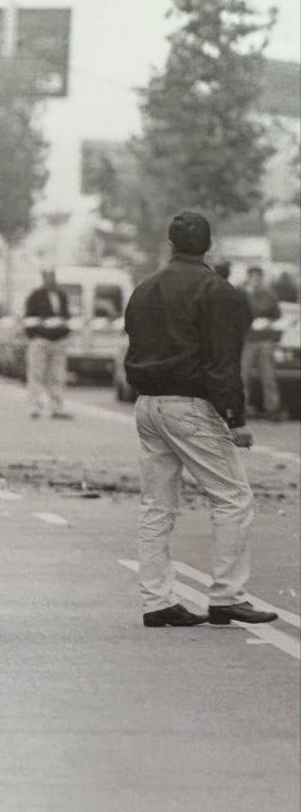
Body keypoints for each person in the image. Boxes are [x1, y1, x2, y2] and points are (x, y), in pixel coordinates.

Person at [124, 211, 277, 628]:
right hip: (189, 405)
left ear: (170, 244)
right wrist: (236, 418)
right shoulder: (216, 291)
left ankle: (156, 600)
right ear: (208, 246)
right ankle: (227, 596)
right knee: (233, 497)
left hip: (147, 404)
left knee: (157, 506)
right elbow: (222, 363)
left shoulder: (144, 288)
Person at [22, 268, 72, 419]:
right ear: (43, 278)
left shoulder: (61, 295)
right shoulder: (35, 296)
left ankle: (57, 406)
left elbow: (66, 316)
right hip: (41, 340)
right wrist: (36, 335)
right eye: (48, 277)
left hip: (58, 341)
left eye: (53, 276)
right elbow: (29, 318)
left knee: (57, 375)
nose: (51, 279)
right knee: (36, 373)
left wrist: (64, 332)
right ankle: (34, 405)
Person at [240, 266, 282, 420]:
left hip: (265, 340)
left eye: (258, 277)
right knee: (243, 375)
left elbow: (277, 316)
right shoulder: (242, 294)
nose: (255, 280)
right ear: (249, 278)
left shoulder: (269, 295)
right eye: (253, 276)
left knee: (268, 375)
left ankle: (272, 408)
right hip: (247, 340)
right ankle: (241, 407)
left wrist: (268, 322)